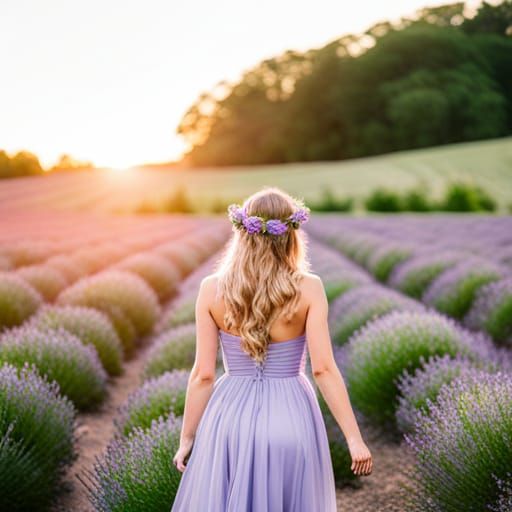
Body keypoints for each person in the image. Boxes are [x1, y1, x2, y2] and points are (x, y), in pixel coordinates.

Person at [170, 186, 372, 511]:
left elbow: (203, 376)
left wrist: (187, 438)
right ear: (292, 234)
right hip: (290, 414)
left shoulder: (211, 290)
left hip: (228, 418)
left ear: (243, 234)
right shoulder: (309, 288)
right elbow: (323, 369)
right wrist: (353, 439)